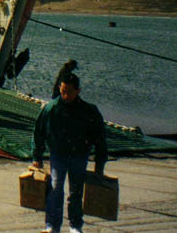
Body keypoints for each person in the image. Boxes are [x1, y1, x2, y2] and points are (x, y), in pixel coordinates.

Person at [31, 72, 107, 233]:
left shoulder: (89, 111)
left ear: (78, 91)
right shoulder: (51, 109)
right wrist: (37, 157)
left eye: (69, 92)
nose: (65, 95)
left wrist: (100, 164)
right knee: (56, 189)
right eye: (63, 91)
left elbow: (99, 138)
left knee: (76, 192)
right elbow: (39, 132)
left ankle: (75, 226)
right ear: (59, 88)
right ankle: (52, 226)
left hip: (79, 156)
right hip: (58, 155)